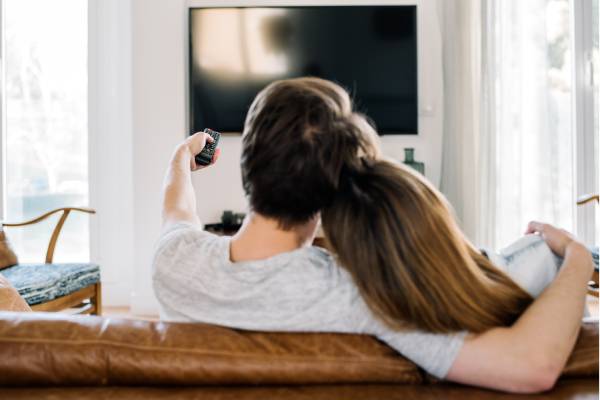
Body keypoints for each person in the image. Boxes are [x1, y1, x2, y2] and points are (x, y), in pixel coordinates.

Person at [152, 77, 595, 393]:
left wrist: (180, 159)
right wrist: (575, 255)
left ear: (247, 165)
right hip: (516, 273)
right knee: (545, 254)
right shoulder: (357, 290)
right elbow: (530, 368)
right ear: (334, 190)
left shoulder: (175, 261)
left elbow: (178, 211)